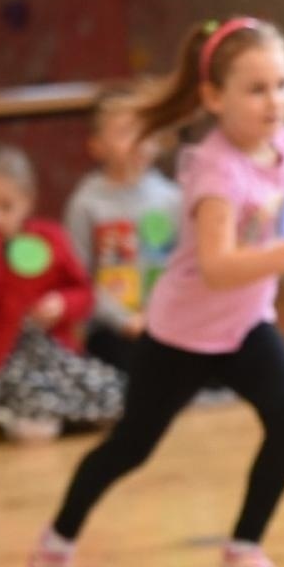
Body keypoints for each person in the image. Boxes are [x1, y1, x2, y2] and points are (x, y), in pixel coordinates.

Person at [26, 16, 284, 567]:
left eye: (282, 83)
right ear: (213, 98)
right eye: (256, 88)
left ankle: (243, 549)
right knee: (130, 448)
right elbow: (220, 263)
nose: (274, 100)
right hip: (181, 336)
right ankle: (56, 541)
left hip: (246, 326)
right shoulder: (214, 171)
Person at [0, 145, 125, 441]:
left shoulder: (50, 238)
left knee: (115, 392)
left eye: (5, 207)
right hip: (1, 359)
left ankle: (65, 417)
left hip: (55, 351)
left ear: (27, 203)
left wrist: (62, 304)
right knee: (34, 418)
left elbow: (85, 293)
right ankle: (35, 419)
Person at [64, 89, 183, 371]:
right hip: (112, 327)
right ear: (97, 146)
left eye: (147, 128)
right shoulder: (85, 204)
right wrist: (124, 320)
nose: (140, 140)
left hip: (169, 320)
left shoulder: (173, 198)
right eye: (125, 132)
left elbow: (184, 268)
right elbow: (78, 278)